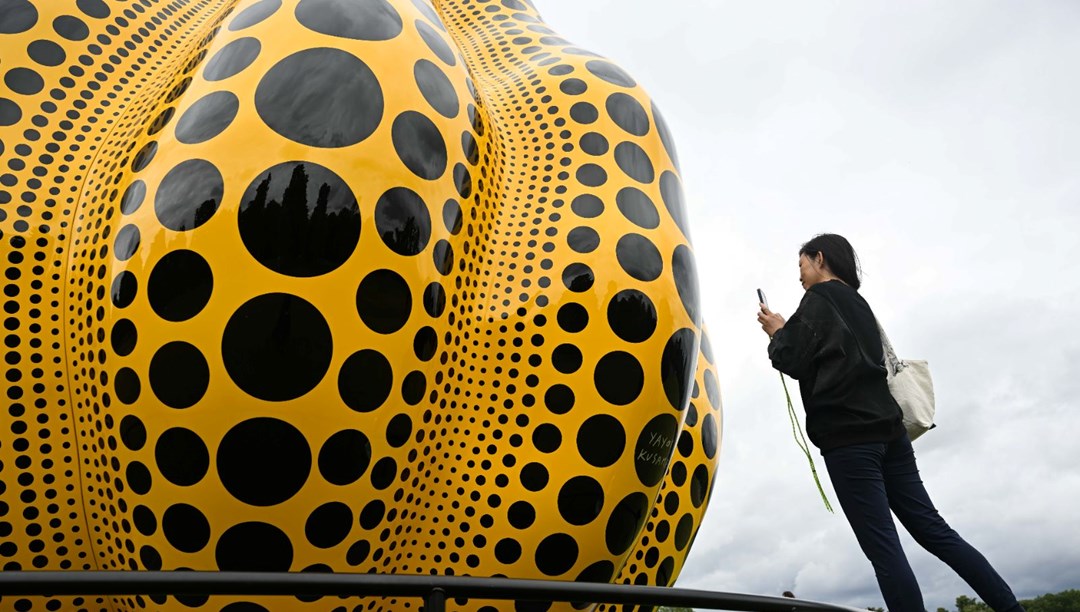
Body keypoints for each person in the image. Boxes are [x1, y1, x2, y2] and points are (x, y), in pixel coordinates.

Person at [756, 233, 1024, 612]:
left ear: (819, 259)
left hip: (849, 439)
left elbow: (792, 359)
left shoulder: (817, 300)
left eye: (801, 266)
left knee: (884, 549)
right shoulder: (861, 305)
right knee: (936, 532)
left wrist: (778, 331)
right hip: (892, 433)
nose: (799, 276)